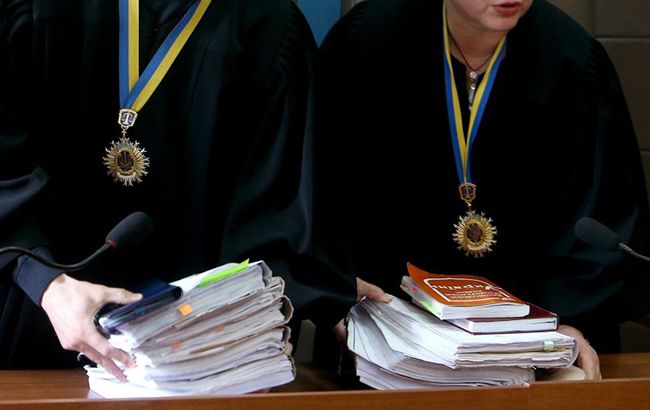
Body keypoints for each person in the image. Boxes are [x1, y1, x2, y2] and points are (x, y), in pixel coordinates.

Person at [0, 0, 355, 381]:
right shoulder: (29, 6)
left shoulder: (270, 27)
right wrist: (46, 284)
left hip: (193, 352)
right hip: (33, 322)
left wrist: (295, 302)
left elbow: (279, 213)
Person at [316, 0, 650, 380]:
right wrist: (336, 289)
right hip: (390, 330)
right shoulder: (366, 41)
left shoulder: (572, 57)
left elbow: (603, 211)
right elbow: (319, 195)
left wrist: (570, 321)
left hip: (535, 338)